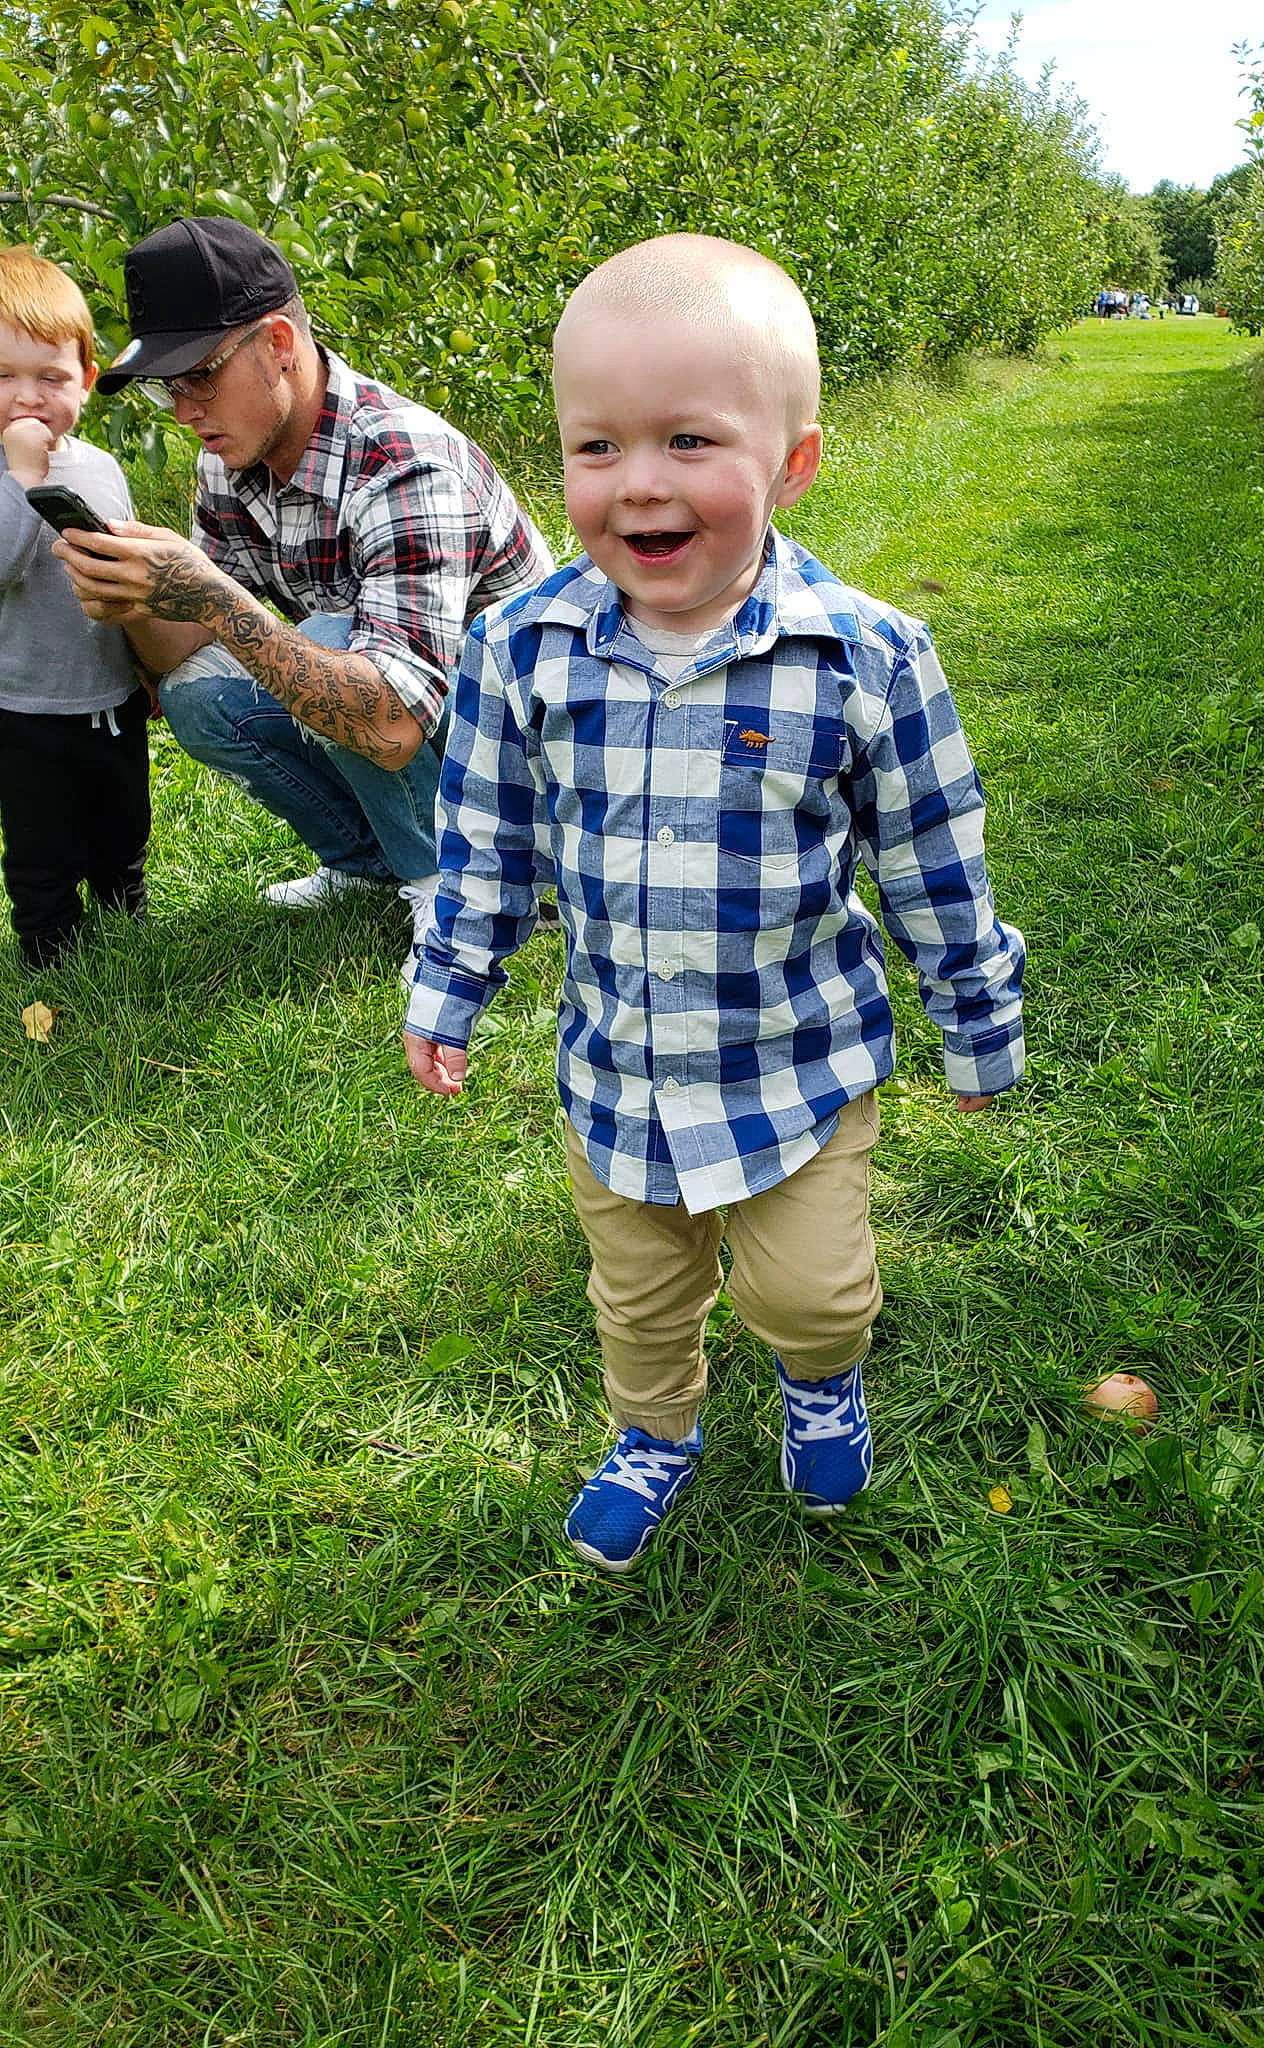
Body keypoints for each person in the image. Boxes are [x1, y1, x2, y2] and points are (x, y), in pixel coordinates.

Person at [402, 233, 1027, 1573]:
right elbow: (487, 839)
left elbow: (932, 859)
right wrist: (449, 982)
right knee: (637, 1301)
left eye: (690, 441)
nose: (639, 486)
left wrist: (976, 1025)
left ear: (792, 462)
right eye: (596, 448)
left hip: (801, 1065)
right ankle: (656, 1432)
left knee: (814, 1292)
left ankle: (819, 1376)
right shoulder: (524, 646)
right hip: (618, 1074)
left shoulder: (864, 656)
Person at [55, 217, 553, 973]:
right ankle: (367, 864)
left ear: (278, 346)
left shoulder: (403, 466)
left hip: (531, 759)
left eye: (199, 376)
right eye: (168, 389)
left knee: (322, 642)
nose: (186, 411)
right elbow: (189, 653)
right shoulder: (229, 460)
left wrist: (213, 595)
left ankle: (462, 895)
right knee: (198, 692)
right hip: (416, 717)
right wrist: (140, 598)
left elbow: (391, 722)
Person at [0, 245, 182, 968]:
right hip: (24, 705)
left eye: (50, 377)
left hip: (111, 695)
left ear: (87, 381)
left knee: (122, 822)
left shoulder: (103, 468)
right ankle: (48, 946)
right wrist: (22, 474)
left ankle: (123, 916)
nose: (26, 397)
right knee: (41, 840)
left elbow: (127, 576)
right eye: (4, 377)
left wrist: (149, 667)